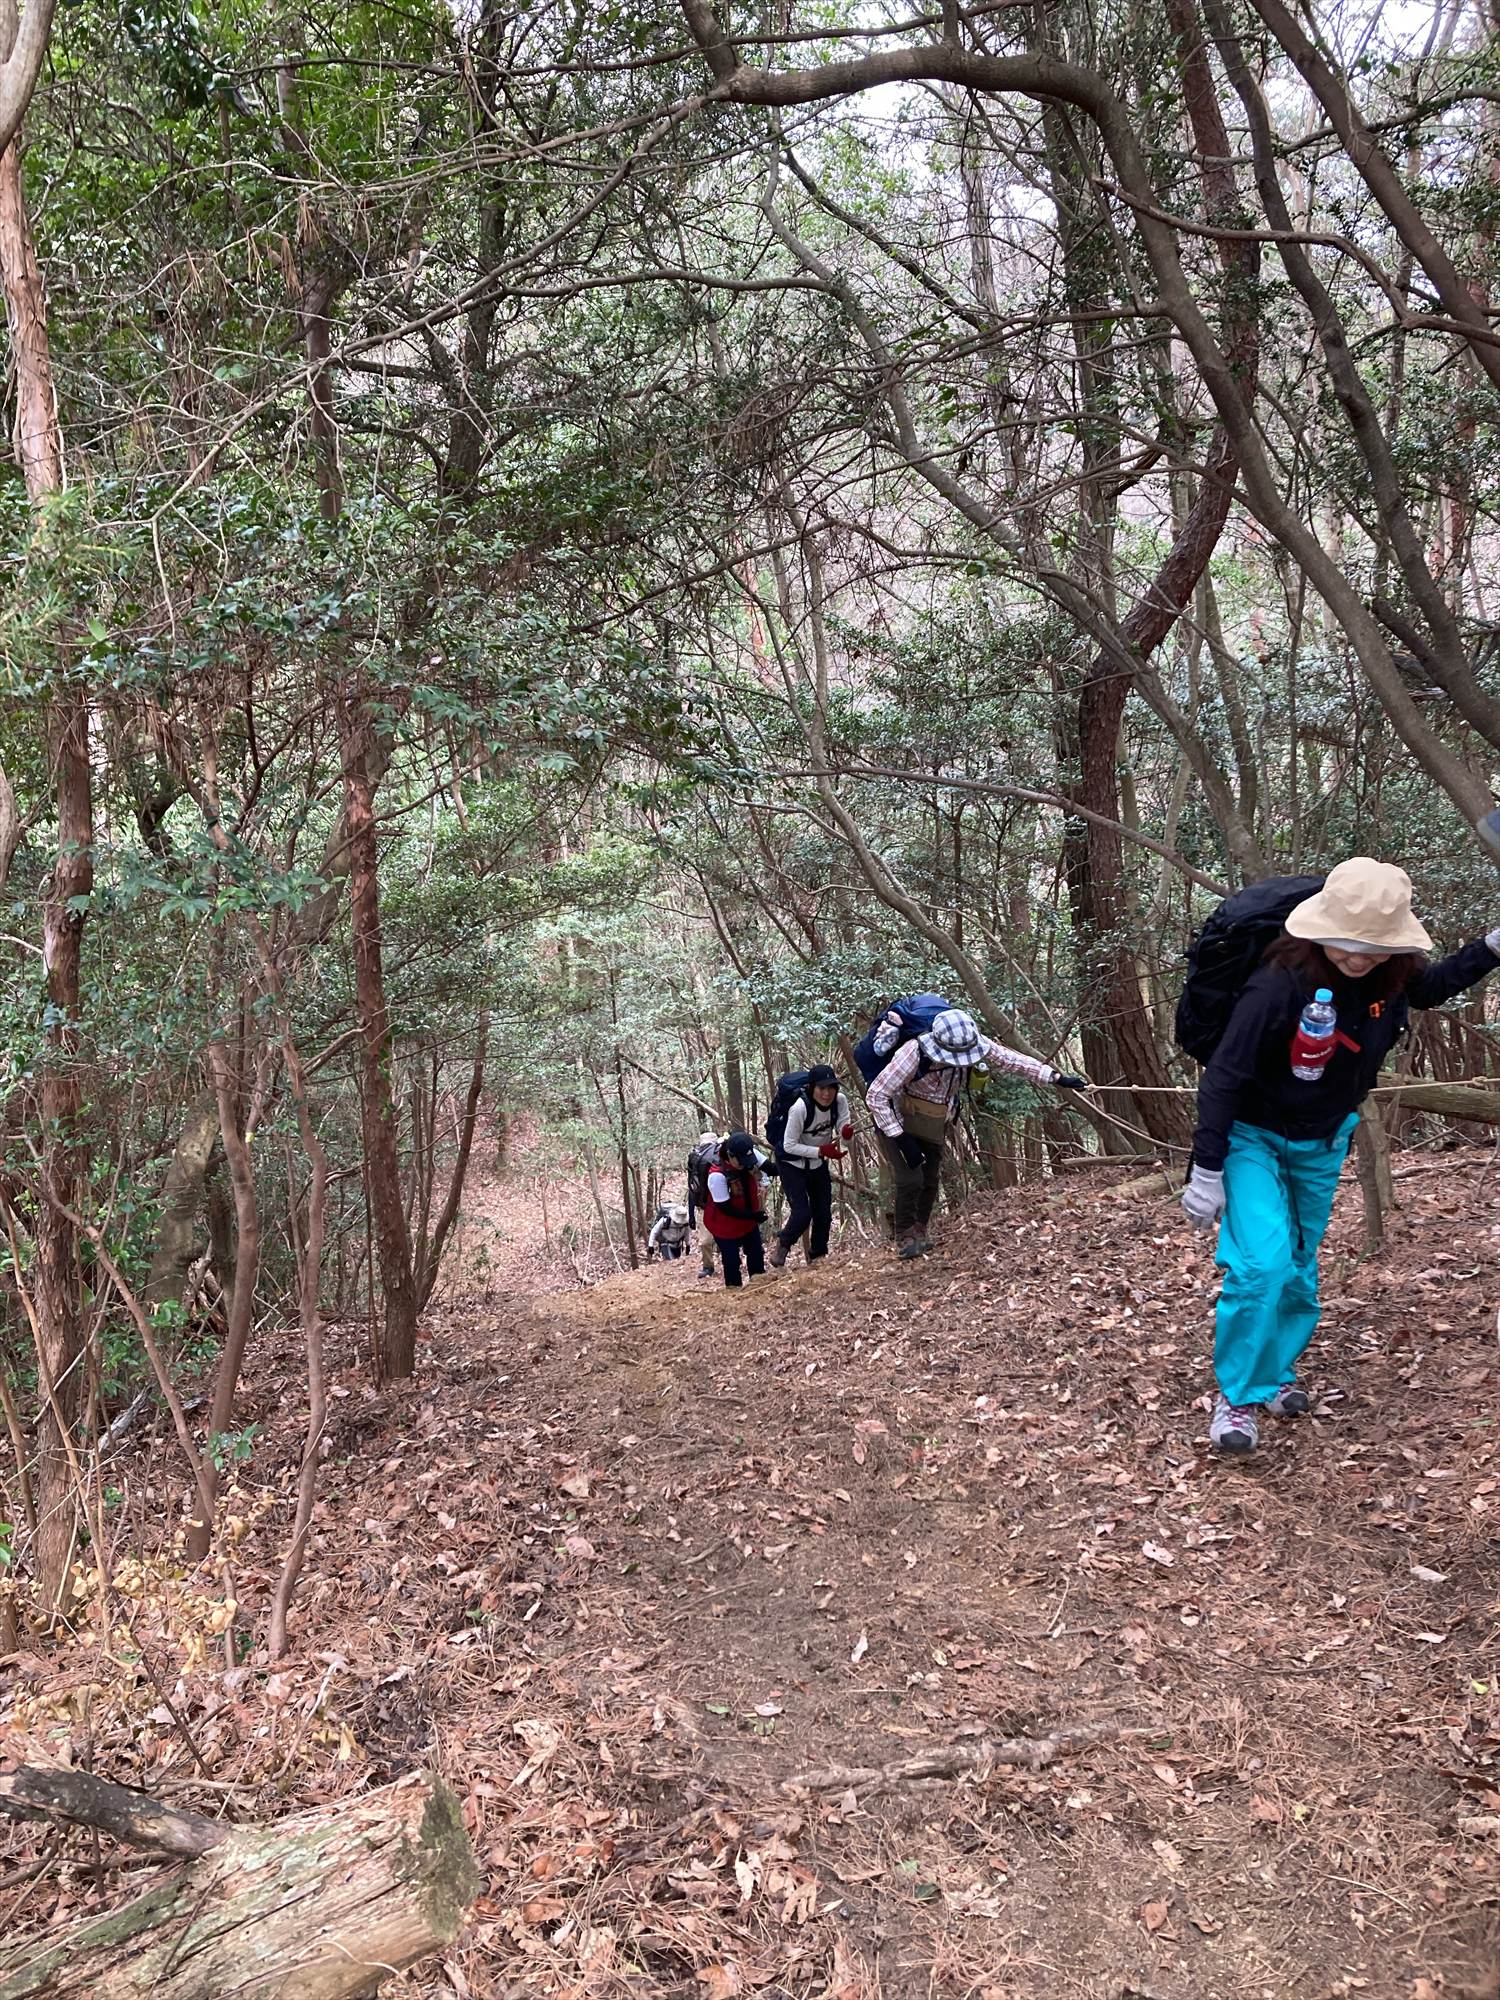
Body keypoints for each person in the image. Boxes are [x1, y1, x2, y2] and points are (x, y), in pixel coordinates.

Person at [1181, 858, 1500, 1454]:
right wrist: (1207, 1169)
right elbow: (1224, 1074)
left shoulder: (1392, 972)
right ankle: (1237, 1399)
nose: (1357, 958)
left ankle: (1275, 1374)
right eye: (1346, 943)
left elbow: (1430, 989)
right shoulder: (1279, 982)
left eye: (1372, 947)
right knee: (1262, 1265)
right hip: (1252, 1136)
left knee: (1299, 1268)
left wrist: (1490, 947)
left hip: (1324, 1139)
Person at [866, 1007, 1087, 1259]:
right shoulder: (913, 1052)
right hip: (897, 1119)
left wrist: (1055, 1077)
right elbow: (876, 1095)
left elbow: (1011, 1060)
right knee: (910, 1178)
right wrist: (900, 1138)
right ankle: (905, 1237)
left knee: (930, 1178)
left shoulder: (972, 1041)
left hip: (934, 1121)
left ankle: (919, 1232)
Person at [768, 1064, 852, 1269]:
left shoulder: (840, 1101)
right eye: (821, 1088)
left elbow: (844, 1130)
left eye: (831, 1088)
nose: (826, 1094)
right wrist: (820, 1151)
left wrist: (846, 1134)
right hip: (790, 1164)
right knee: (802, 1214)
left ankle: (818, 1257)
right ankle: (783, 1245)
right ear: (812, 1087)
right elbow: (788, 1145)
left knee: (823, 1214)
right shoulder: (800, 1108)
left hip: (817, 1164)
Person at [702, 1131, 769, 1288]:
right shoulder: (716, 1176)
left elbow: (770, 1168)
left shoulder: (746, 1154)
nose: (745, 1164)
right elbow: (725, 1208)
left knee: (756, 1254)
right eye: (741, 1161)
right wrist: (753, 1216)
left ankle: (759, 1287)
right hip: (723, 1225)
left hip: (748, 1220)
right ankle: (734, 1292)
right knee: (731, 1260)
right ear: (730, 1156)